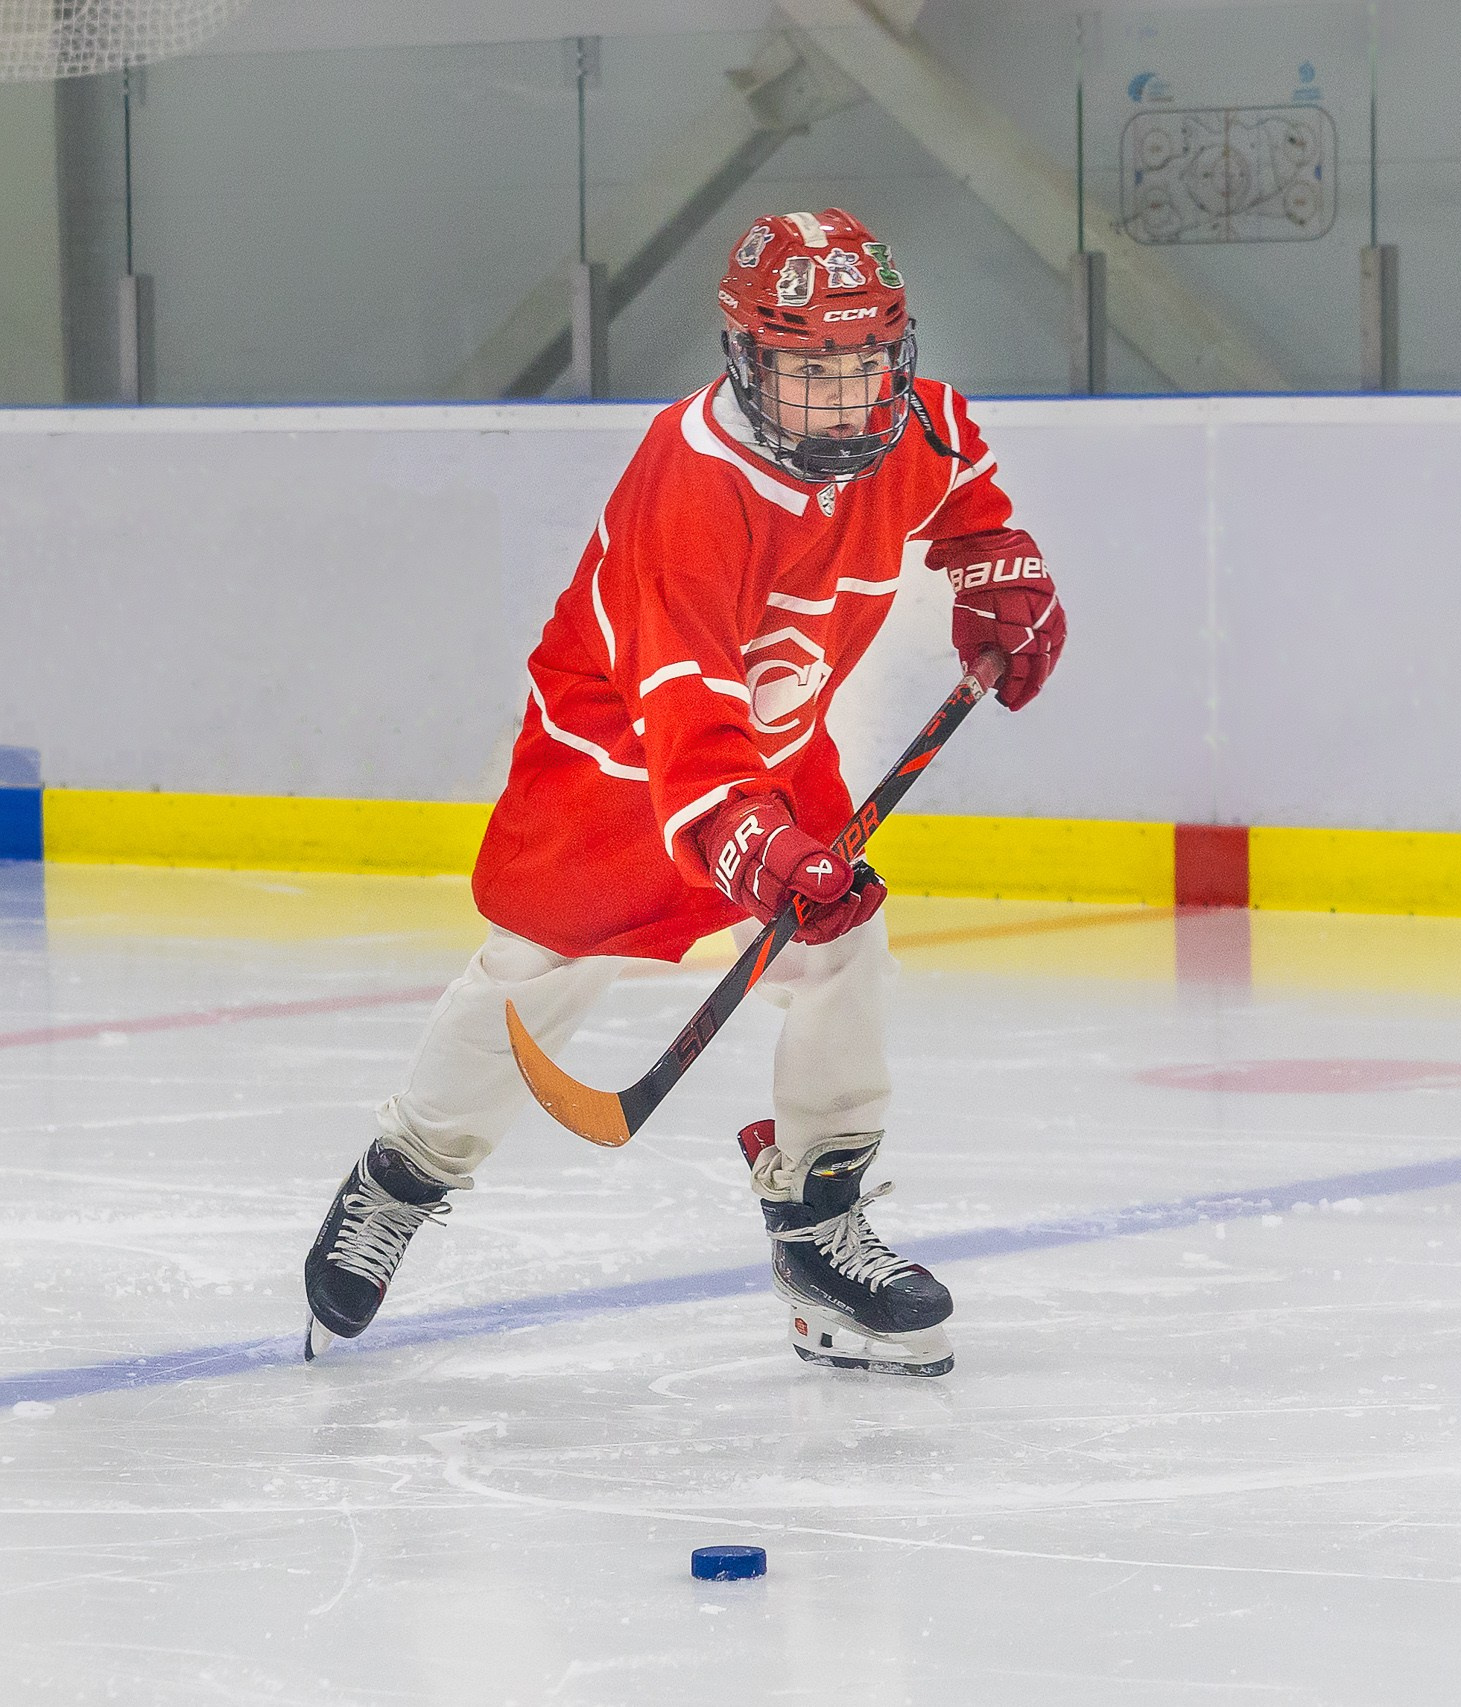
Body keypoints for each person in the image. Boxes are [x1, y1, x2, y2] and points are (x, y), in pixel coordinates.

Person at [301, 209, 1066, 1373]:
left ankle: (817, 1221)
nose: (844, 399)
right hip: (617, 762)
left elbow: (960, 475)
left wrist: (996, 567)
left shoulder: (909, 420)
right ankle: (403, 1176)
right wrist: (749, 841)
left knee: (842, 945)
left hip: (772, 752)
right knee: (531, 975)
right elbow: (685, 700)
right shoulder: (693, 478)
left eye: (865, 365)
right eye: (809, 371)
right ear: (749, 361)